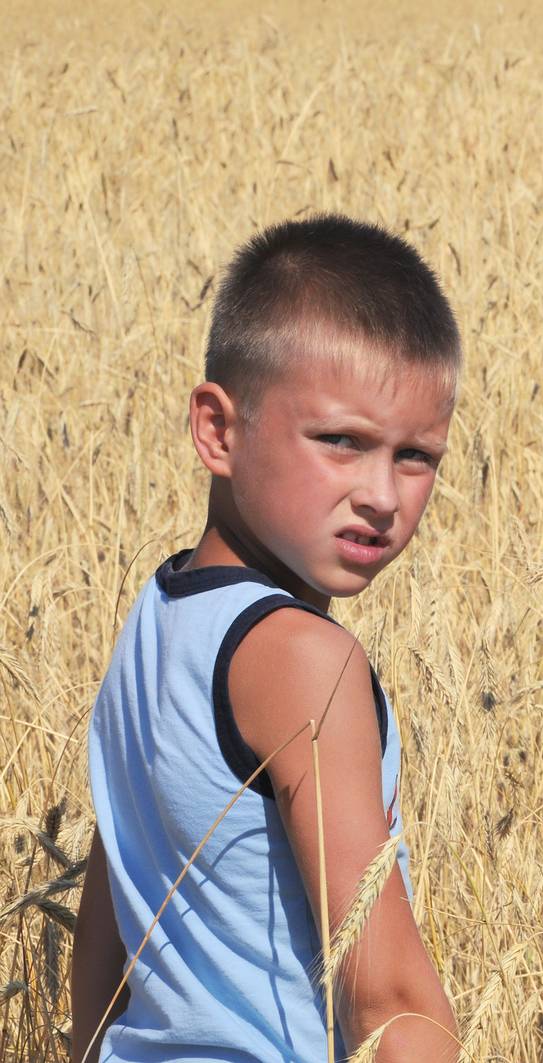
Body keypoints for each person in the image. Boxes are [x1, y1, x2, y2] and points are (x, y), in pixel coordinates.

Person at [69, 213, 462, 1062]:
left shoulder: (159, 613)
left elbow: (112, 908)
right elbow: (389, 999)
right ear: (218, 429)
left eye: (416, 456)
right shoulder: (305, 661)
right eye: (342, 442)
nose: (382, 496)